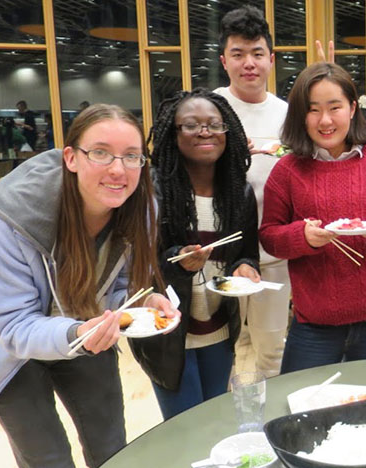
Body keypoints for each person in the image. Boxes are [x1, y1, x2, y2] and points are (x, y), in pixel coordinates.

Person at [0, 104, 179, 467]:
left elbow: (119, 283)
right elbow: (11, 325)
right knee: (47, 457)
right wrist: (77, 332)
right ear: (71, 157)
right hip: (9, 348)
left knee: (112, 448)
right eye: (101, 153)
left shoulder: (140, 206)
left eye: (131, 156)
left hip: (88, 330)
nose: (118, 170)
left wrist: (142, 302)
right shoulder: (9, 218)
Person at [259, 62, 366, 374]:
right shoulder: (287, 171)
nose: (325, 120)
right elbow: (269, 236)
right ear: (300, 115)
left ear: (352, 108)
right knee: (302, 410)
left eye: (334, 107)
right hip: (315, 323)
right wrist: (302, 237)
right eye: (313, 110)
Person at [129, 89, 260, 420]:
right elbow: (134, 266)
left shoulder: (239, 192)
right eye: (191, 125)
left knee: (215, 420)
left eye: (215, 124)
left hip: (218, 325)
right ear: (172, 134)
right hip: (167, 332)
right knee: (184, 426)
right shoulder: (152, 190)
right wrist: (178, 260)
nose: (205, 132)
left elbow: (246, 253)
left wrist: (245, 267)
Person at [213, 4, 290, 377]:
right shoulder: (208, 110)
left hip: (273, 254)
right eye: (238, 54)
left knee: (272, 349)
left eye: (257, 54)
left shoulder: (288, 115)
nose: (249, 63)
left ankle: (266, 429)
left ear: (271, 59)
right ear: (224, 60)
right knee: (218, 351)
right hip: (217, 252)